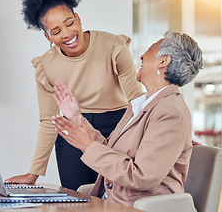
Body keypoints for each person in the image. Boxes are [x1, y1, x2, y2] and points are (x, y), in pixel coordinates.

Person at [5, 0, 144, 190]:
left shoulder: (113, 46)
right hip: (74, 128)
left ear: (77, 18)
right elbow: (47, 120)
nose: (67, 34)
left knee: (118, 195)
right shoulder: (46, 66)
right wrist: (33, 174)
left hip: (118, 125)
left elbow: (136, 99)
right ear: (48, 37)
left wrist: (163, 130)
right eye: (56, 31)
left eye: (69, 23)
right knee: (76, 198)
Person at [52, 30, 203, 207]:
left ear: (163, 61)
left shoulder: (170, 112)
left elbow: (142, 177)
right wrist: (76, 117)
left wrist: (87, 146)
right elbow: (112, 151)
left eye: (149, 49)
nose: (141, 56)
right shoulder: (142, 106)